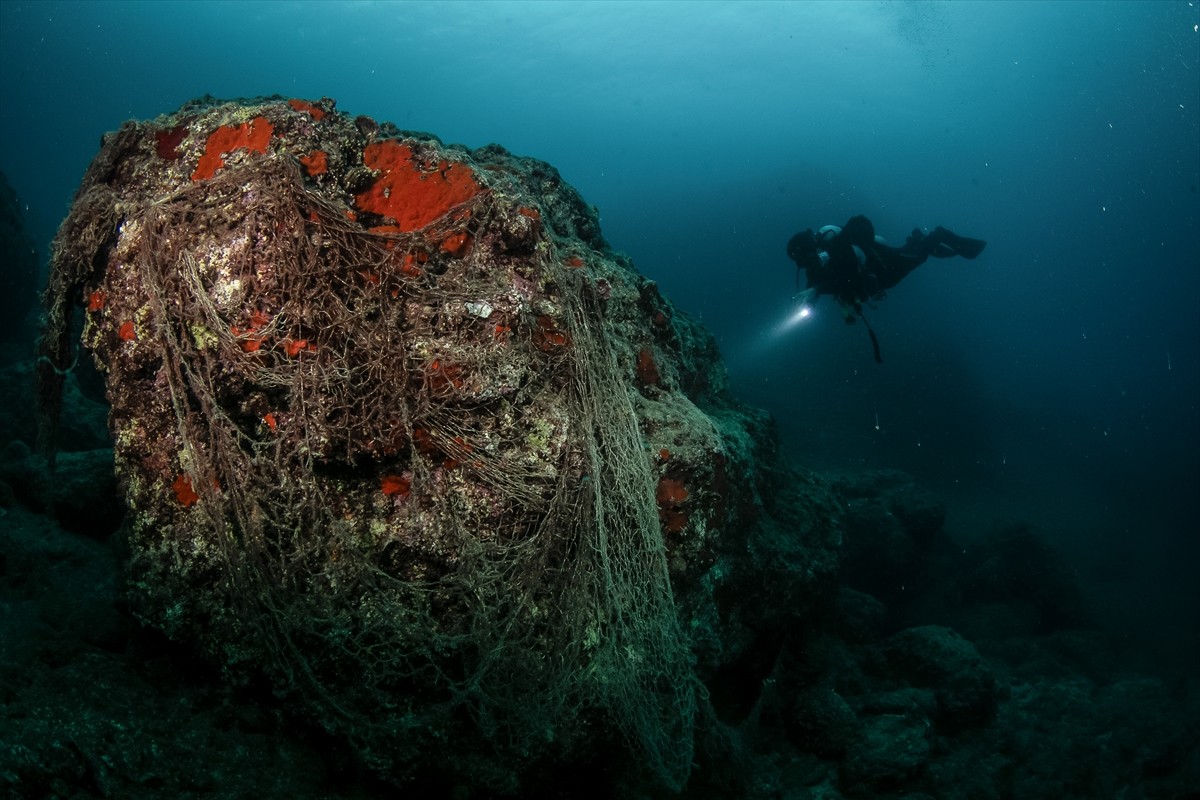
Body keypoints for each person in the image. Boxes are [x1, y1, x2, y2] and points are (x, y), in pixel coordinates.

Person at [786, 214, 986, 361]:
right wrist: (810, 301)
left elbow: (850, 277)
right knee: (912, 257)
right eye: (799, 262)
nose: (802, 265)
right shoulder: (814, 267)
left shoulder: (837, 247)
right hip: (879, 280)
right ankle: (918, 241)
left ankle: (937, 235)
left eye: (803, 259)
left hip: (882, 266)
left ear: (810, 250)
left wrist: (817, 291)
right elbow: (815, 283)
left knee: (913, 258)